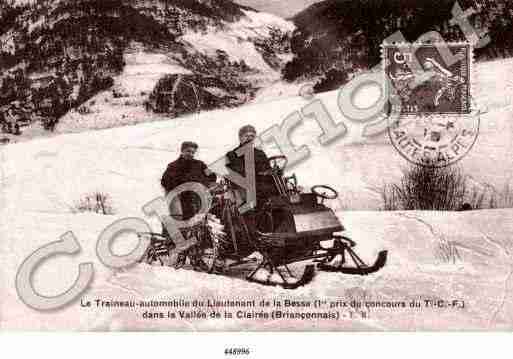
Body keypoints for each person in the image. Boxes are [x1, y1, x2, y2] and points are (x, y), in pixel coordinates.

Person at [225, 125, 279, 209]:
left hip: (264, 189)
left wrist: (272, 171)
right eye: (246, 136)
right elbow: (233, 175)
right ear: (240, 138)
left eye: (252, 136)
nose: (249, 138)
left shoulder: (260, 153)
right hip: (244, 190)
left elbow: (267, 169)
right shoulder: (232, 155)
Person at [161, 141, 217, 221]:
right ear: (182, 151)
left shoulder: (200, 165)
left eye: (193, 152)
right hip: (181, 198)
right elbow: (165, 181)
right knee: (182, 220)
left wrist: (203, 183)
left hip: (197, 198)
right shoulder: (173, 166)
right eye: (188, 151)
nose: (190, 154)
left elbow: (212, 176)